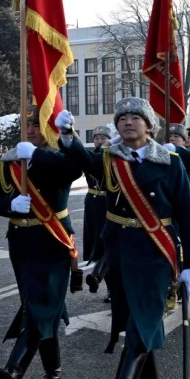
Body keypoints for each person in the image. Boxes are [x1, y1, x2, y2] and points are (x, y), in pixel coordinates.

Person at [60, 97, 190, 379]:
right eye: (122, 118)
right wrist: (67, 135)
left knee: (142, 322)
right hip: (120, 252)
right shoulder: (111, 158)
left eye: (136, 117)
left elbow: (186, 215)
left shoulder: (170, 161)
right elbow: (84, 160)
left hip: (156, 251)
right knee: (134, 321)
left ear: (149, 126)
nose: (127, 122)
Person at [0, 105, 83, 379]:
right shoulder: (12, 161)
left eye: (36, 125)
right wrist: (10, 205)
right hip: (21, 243)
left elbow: (74, 168)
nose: (30, 130)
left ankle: (15, 369)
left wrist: (37, 154)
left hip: (52, 239)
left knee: (40, 306)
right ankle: (54, 373)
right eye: (26, 125)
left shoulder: (58, 157)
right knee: (39, 306)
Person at [82, 125, 116, 294]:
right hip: (92, 203)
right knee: (95, 243)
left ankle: (106, 283)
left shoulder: (114, 155)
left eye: (103, 138)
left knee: (107, 243)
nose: (99, 141)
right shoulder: (89, 156)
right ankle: (100, 276)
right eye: (96, 138)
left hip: (108, 203)